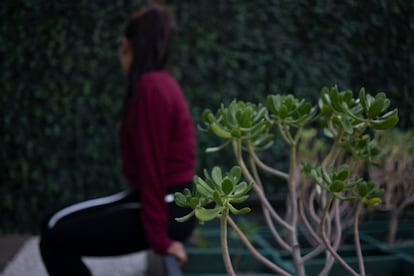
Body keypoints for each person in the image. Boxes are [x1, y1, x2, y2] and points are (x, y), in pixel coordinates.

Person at [39, 3, 196, 275]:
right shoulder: (157, 83)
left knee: (55, 240)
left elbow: (153, 169)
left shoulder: (152, 88)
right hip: (161, 201)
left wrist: (161, 240)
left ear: (127, 45)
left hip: (170, 207)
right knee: (53, 224)